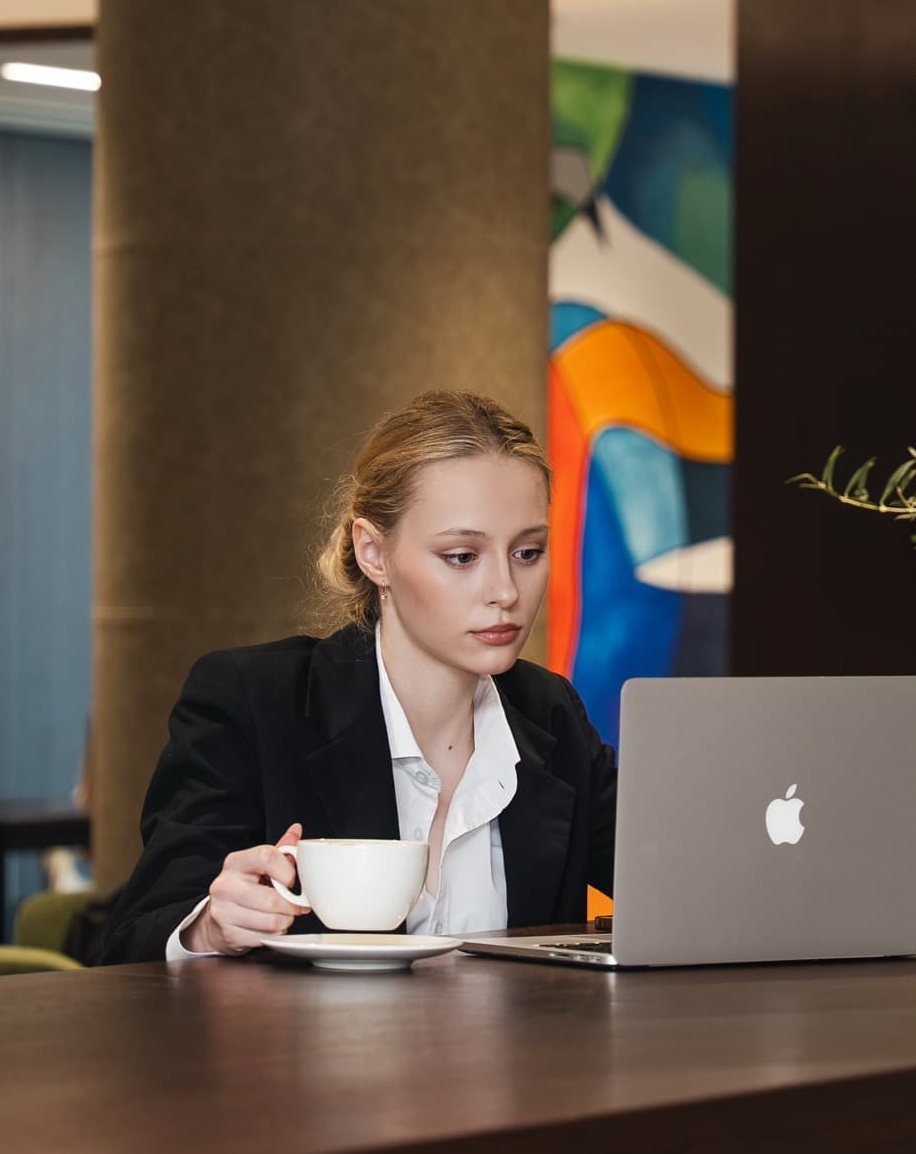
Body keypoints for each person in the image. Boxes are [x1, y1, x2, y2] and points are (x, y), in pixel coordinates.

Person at [100, 390, 616, 964]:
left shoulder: (553, 717)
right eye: (462, 556)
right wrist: (207, 928)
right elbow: (129, 944)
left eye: (528, 552)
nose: (506, 591)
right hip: (306, 1056)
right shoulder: (252, 703)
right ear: (373, 552)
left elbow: (677, 885)